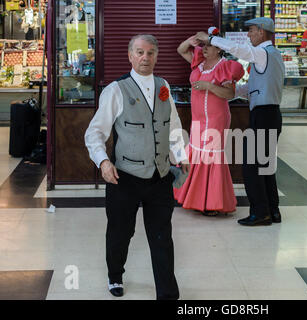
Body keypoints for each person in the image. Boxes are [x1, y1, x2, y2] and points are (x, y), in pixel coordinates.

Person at [84, 34, 190, 299]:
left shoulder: (163, 85)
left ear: (156, 56)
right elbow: (94, 132)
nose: (145, 58)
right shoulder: (116, 90)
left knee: (162, 237)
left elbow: (173, 125)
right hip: (125, 178)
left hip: (161, 176)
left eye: (151, 53)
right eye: (140, 52)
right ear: (130, 56)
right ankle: (115, 275)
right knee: (121, 233)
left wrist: (180, 153)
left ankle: (168, 294)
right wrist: (103, 161)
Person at [196, 17, 285, 227]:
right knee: (265, 166)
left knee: (251, 166)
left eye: (251, 30)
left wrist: (212, 39)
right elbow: (255, 89)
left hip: (263, 115)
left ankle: (260, 212)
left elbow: (239, 50)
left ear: (262, 32)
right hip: (271, 114)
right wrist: (234, 89)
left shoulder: (263, 53)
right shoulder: (272, 56)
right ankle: (273, 210)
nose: (248, 34)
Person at [174, 27, 244, 216]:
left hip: (216, 119)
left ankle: (211, 202)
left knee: (210, 156)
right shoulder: (199, 63)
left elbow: (229, 94)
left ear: (219, 48)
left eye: (209, 45)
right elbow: (181, 50)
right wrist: (193, 40)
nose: (204, 48)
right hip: (198, 118)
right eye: (203, 45)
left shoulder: (225, 66)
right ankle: (194, 198)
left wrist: (209, 86)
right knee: (196, 153)